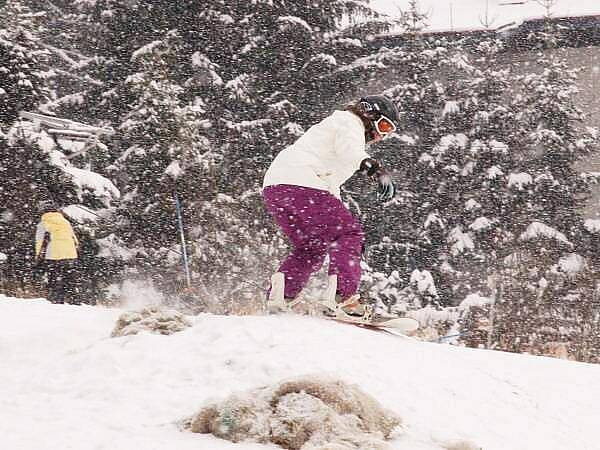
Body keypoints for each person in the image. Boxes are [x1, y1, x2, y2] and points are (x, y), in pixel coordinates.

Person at [262, 94, 399, 316]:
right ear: (369, 113)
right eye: (383, 126)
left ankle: (280, 296)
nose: (381, 136)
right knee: (349, 234)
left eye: (388, 132)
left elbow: (329, 184)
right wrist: (374, 168)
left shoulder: (333, 127)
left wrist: (337, 208)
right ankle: (343, 299)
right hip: (302, 182)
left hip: (277, 188)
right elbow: (351, 151)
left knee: (312, 247)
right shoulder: (349, 122)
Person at [34, 201, 80, 304]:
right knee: (70, 281)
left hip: (53, 255)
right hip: (70, 255)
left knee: (54, 280)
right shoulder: (65, 222)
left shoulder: (43, 224)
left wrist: (38, 258)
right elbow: (75, 240)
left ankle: (57, 303)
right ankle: (75, 302)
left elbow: (39, 242)